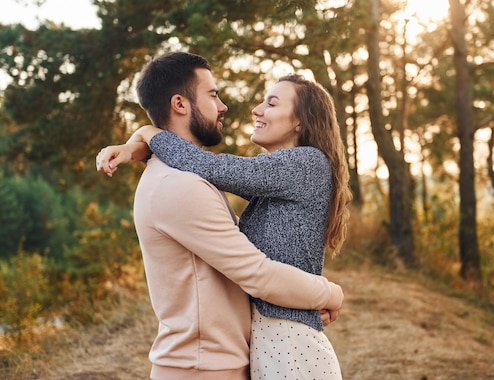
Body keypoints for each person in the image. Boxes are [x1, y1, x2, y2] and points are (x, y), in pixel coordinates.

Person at [96, 52, 345, 380]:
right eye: (213, 95)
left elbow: (213, 166)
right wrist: (328, 292)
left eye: (271, 103)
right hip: (223, 357)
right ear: (180, 105)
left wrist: (144, 136)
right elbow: (255, 270)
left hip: (281, 341)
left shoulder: (305, 163)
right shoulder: (181, 184)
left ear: (300, 120)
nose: (248, 108)